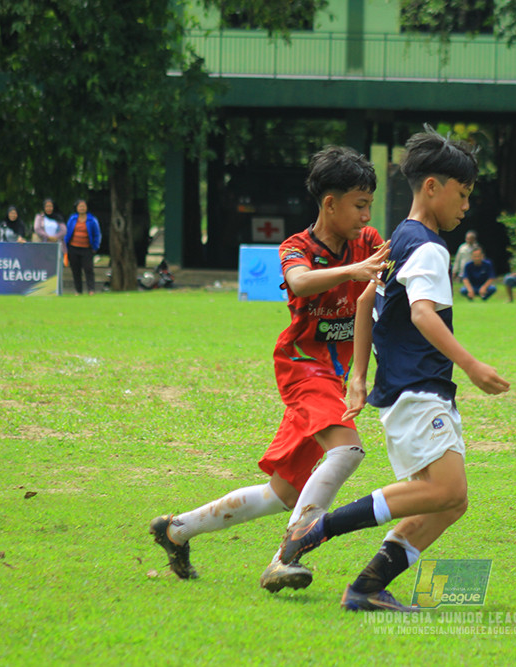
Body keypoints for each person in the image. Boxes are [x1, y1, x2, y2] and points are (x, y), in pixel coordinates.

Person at [271, 127, 510, 613]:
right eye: (461, 194)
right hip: (419, 388)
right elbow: (422, 313)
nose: (466, 206)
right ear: (431, 187)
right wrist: (472, 364)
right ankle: (318, 527)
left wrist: (359, 375)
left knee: (449, 501)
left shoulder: (400, 236)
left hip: (409, 390)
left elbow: (363, 300)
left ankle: (367, 587)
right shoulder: (429, 248)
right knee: (446, 490)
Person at [149, 146, 390, 591]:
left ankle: (176, 529)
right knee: (348, 451)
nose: (366, 215)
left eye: (369, 205)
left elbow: (383, 286)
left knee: (283, 494)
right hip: (302, 367)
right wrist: (354, 271)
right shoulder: (297, 247)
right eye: (359, 205)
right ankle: (285, 557)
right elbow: (298, 281)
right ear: (329, 203)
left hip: (331, 377)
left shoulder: (369, 241)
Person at [64, 199, 102, 295]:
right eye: (80, 206)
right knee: (76, 270)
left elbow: (97, 234)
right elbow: (67, 232)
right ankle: (78, 290)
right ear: (76, 208)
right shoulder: (72, 219)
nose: (82, 208)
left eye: (83, 206)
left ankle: (91, 290)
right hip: (73, 248)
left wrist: (95, 246)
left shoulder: (92, 220)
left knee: (88, 269)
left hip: (87, 248)